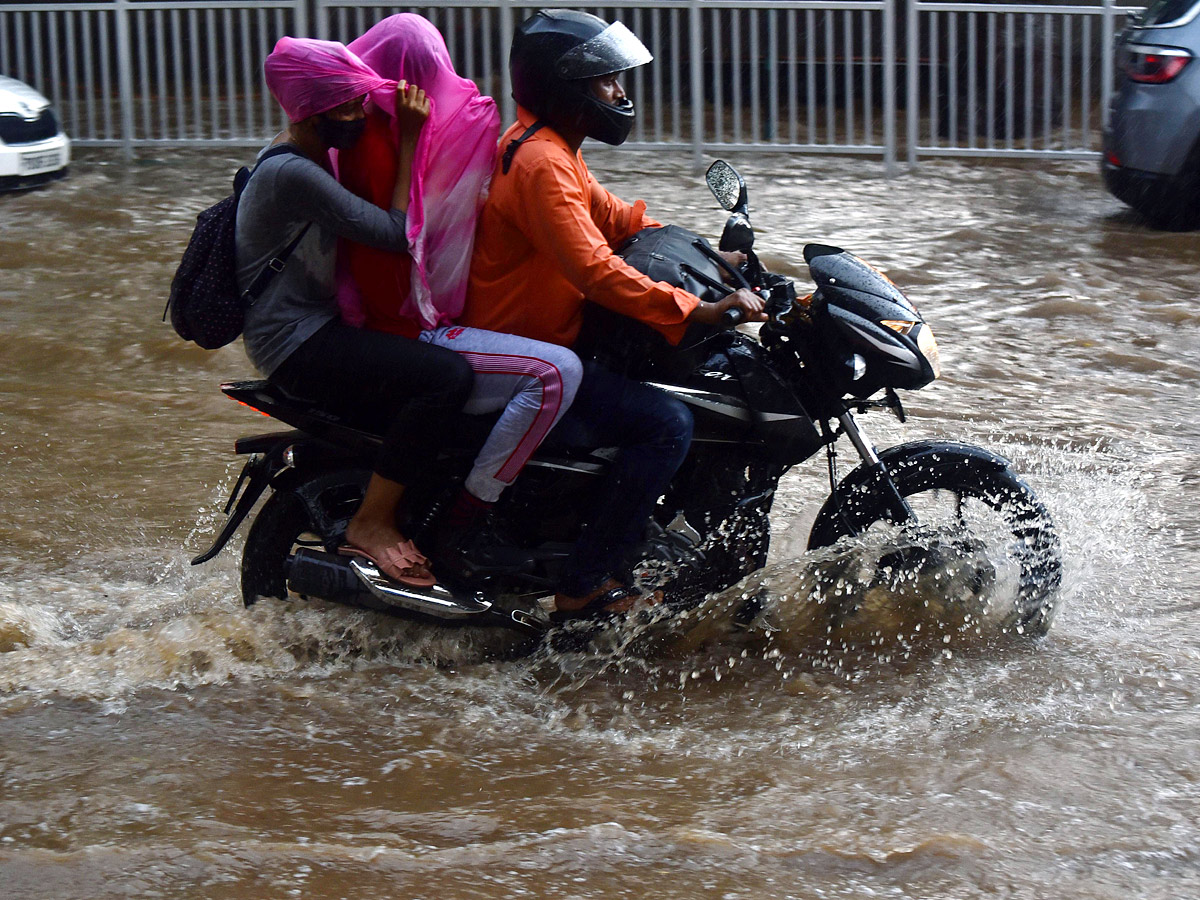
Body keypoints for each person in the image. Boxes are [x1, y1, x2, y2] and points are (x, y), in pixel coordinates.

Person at [461, 9, 765, 619]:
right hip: (530, 351)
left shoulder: (549, 149)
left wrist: (712, 257)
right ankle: (585, 584)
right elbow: (594, 271)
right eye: (606, 82)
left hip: (550, 340)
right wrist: (700, 310)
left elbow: (622, 221)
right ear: (564, 86)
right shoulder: (541, 162)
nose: (621, 94)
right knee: (667, 424)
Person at [333, 14, 583, 582]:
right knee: (556, 374)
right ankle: (468, 520)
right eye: (429, 70)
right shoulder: (390, 143)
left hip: (395, 317)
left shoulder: (381, 134)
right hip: (409, 325)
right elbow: (407, 235)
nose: (441, 83)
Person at [237, 35, 474, 588]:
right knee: (447, 380)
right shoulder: (293, 172)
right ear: (310, 110)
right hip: (298, 341)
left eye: (359, 100)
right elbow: (394, 233)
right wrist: (414, 138)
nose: (357, 112)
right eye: (343, 104)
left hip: (310, 327)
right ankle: (372, 521)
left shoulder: (311, 156)